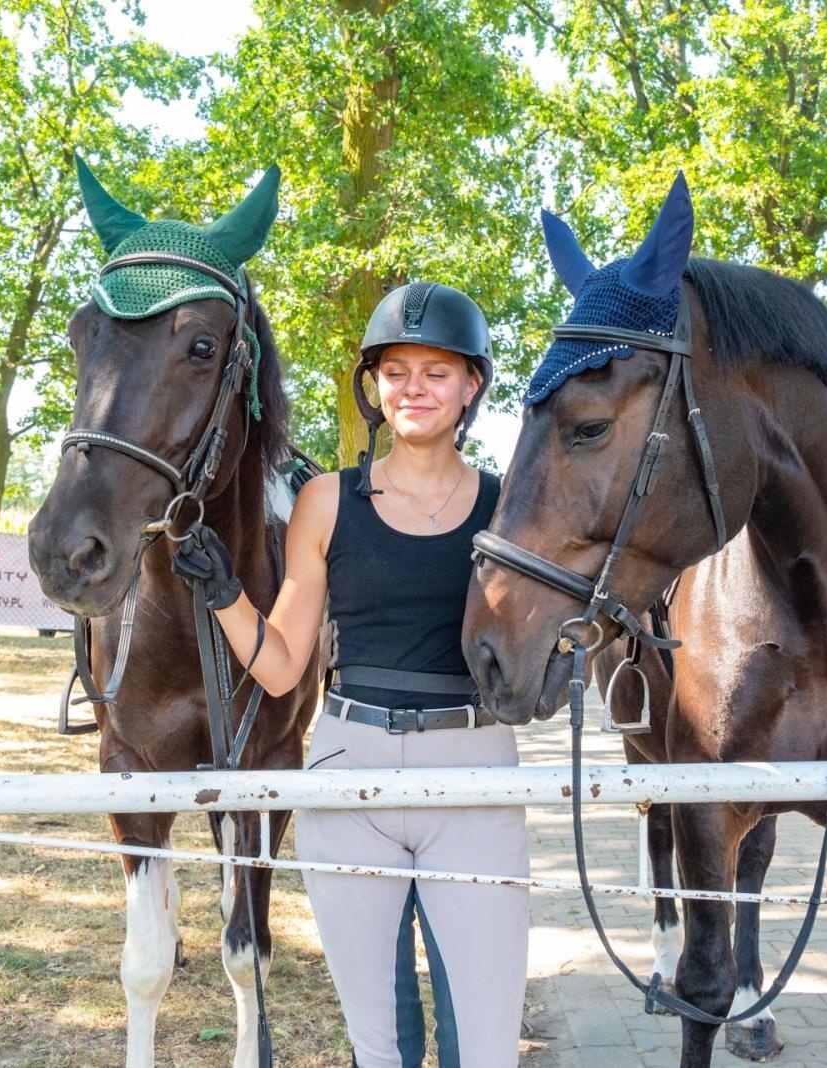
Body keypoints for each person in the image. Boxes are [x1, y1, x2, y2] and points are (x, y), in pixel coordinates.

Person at [174, 281, 528, 1068]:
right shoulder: (327, 501)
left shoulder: (511, 508)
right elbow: (280, 669)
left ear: (473, 384)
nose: (413, 388)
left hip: (473, 769)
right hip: (348, 766)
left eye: (436, 371)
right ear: (373, 387)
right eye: (395, 370)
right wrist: (227, 594)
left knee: (487, 1040)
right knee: (379, 1040)